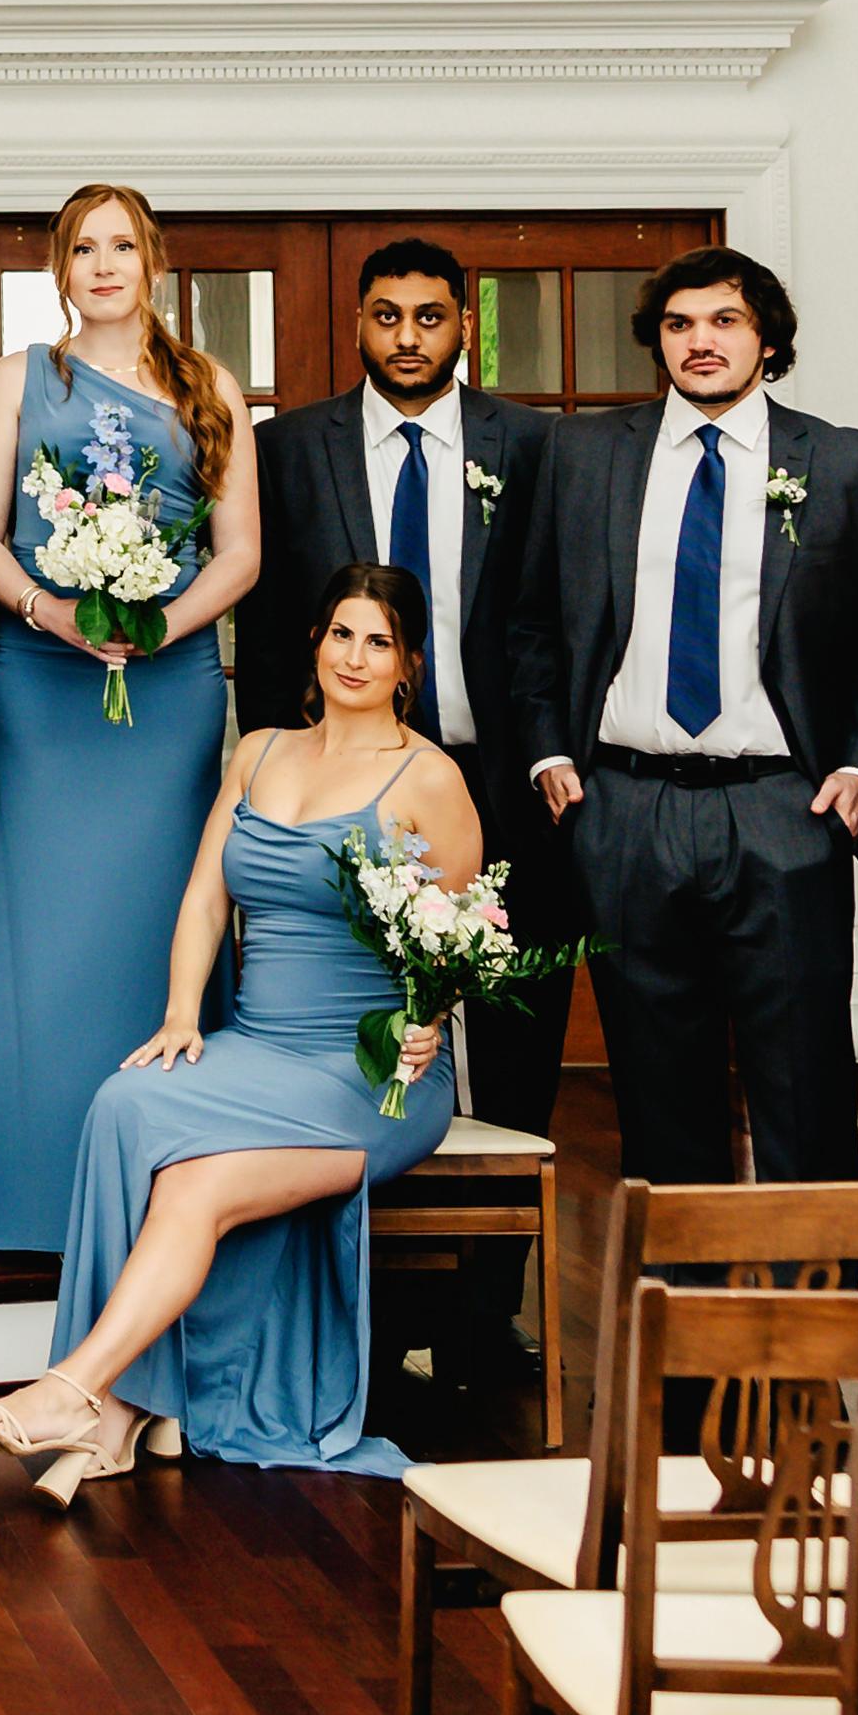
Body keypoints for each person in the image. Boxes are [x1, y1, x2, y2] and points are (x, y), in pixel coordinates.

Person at [0, 574, 468, 1487]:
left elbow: (459, 938)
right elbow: (204, 896)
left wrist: (423, 1021)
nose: (353, 657)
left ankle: (76, 1393)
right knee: (125, 1101)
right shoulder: (259, 751)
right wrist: (183, 1014)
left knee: (194, 1184)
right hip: (257, 1043)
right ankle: (112, 1416)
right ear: (314, 641)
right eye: (339, 633)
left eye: (377, 642)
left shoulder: (429, 777)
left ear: (408, 665)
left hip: (369, 1070)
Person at [502, 247, 858, 1190]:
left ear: (766, 338)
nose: (700, 341)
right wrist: (549, 752)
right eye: (678, 324)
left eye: (724, 320)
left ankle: (815, 1279)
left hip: (784, 806)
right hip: (624, 807)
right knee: (655, 1084)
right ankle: (681, 1277)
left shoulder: (846, 462)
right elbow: (531, 622)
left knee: (803, 1079)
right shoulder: (580, 453)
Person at [0, 184, 261, 1253]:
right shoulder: (18, 378)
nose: (101, 265)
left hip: (168, 686)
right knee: (48, 927)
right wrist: (49, 610)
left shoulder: (208, 384)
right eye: (81, 248)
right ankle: (37, 1196)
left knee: (164, 905)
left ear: (152, 262)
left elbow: (239, 552)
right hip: (43, 680)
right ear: (59, 267)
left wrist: (163, 623)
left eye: (120, 246)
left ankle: (172, 1189)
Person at [249, 238, 574, 1131]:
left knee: (513, 1009)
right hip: (346, 783)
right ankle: (368, 1183)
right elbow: (271, 635)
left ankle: (502, 1207)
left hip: (499, 772)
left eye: (428, 317)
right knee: (355, 997)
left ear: (463, 324)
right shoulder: (285, 449)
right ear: (356, 321)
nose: (406, 337)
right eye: (386, 316)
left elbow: (560, 614)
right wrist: (279, 779)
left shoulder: (537, 445)